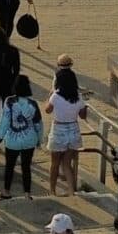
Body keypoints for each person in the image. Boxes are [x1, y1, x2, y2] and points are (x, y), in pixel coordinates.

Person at [0, 74, 45, 197]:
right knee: (26, 167)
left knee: (10, 166)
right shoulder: (33, 104)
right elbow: (38, 124)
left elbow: (5, 121)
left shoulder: (9, 101)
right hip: (30, 140)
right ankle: (27, 193)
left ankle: (6, 191)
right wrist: (39, 140)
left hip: (13, 140)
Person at [47, 56, 89, 194]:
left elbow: (47, 110)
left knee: (55, 164)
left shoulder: (56, 95)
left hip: (59, 129)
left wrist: (51, 95)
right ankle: (71, 191)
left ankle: (52, 190)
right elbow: (83, 116)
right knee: (67, 163)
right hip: (73, 130)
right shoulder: (78, 96)